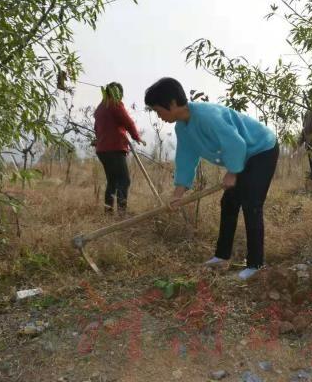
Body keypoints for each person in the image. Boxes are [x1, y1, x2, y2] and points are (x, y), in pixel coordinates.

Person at [144, 77, 279, 281]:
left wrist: (233, 172)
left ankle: (255, 265)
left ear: (171, 103)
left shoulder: (207, 115)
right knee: (229, 202)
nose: (158, 116)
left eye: (158, 110)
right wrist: (177, 194)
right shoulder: (182, 127)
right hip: (243, 155)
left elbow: (235, 143)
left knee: (251, 204)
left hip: (261, 149)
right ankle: (221, 256)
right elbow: (186, 159)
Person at [93, 82, 145, 216]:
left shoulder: (100, 108)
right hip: (114, 148)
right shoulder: (115, 104)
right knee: (124, 180)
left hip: (102, 150)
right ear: (117, 93)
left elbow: (96, 129)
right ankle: (122, 213)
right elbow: (128, 122)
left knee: (112, 181)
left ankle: (108, 212)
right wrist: (136, 137)